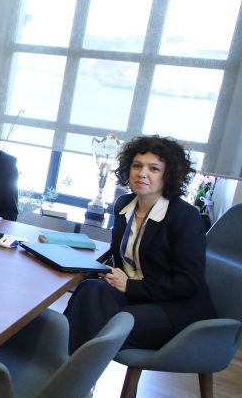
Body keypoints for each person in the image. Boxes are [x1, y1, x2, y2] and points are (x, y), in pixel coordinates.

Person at [64, 135, 215, 356]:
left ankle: (68, 370)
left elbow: (188, 282)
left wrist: (130, 286)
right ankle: (63, 363)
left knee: (103, 320)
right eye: (137, 166)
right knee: (90, 290)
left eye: (153, 168)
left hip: (176, 309)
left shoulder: (185, 216)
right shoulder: (124, 205)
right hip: (138, 298)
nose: (142, 173)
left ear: (168, 174)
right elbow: (124, 259)